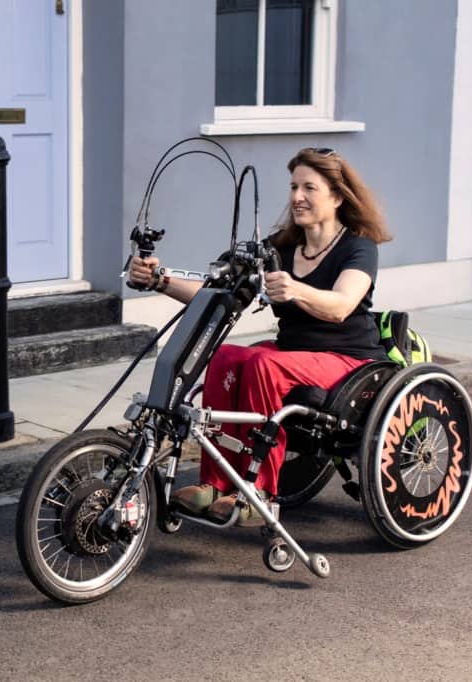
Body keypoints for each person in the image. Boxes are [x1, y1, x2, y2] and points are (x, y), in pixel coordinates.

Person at [128, 147, 392, 524]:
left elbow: (341, 305)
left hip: (346, 359)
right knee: (227, 356)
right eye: (293, 187)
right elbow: (213, 292)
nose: (297, 197)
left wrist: (296, 290)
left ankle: (258, 491)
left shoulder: (358, 246)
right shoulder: (279, 248)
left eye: (309, 188)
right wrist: (159, 280)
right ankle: (217, 483)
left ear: (336, 196)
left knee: (265, 364)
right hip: (293, 354)